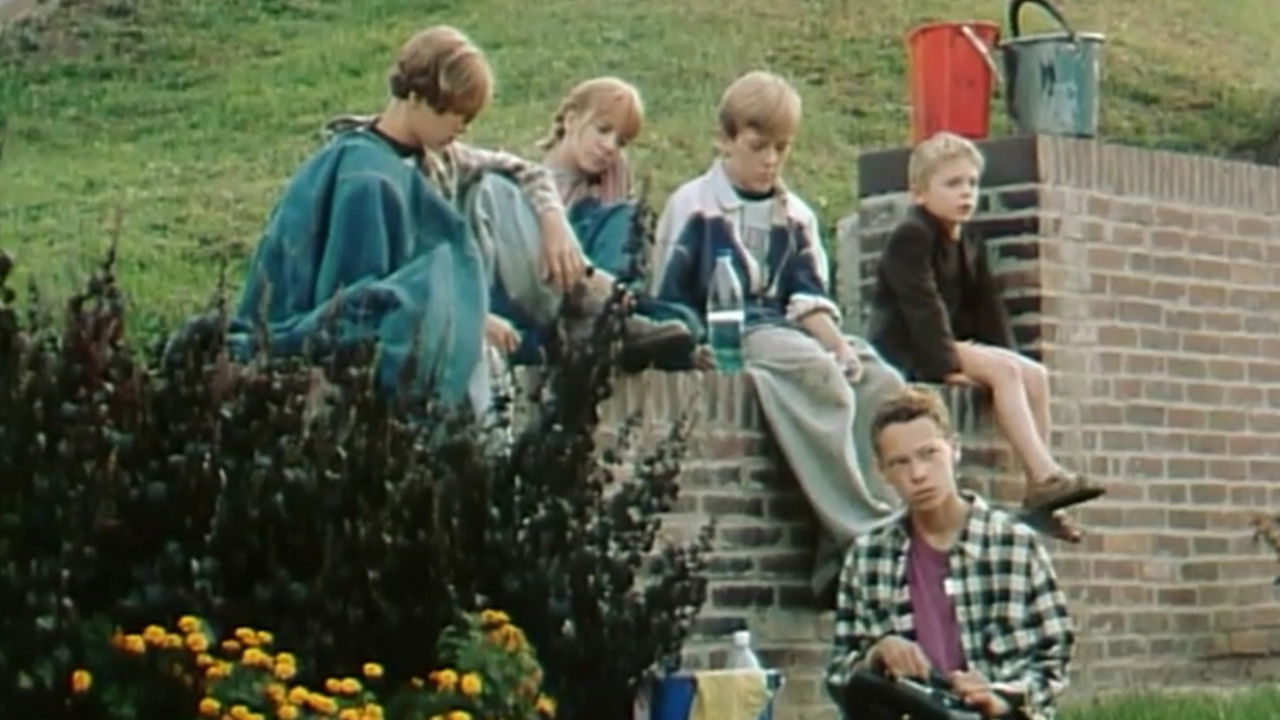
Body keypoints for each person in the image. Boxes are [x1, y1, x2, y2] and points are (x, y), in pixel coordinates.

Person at [652, 70, 905, 595]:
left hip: (792, 326)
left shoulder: (794, 215)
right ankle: (862, 528)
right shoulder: (694, 206)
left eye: (781, 149)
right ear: (725, 141)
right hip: (734, 328)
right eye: (758, 147)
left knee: (880, 382)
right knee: (815, 376)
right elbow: (670, 293)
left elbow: (808, 297)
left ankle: (860, 536)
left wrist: (839, 346)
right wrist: (692, 344)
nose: (770, 160)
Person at [231, 25, 503, 410]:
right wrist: (459, 313)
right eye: (454, 113)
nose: (462, 127)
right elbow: (356, 305)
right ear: (416, 98)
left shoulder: (415, 159)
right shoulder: (368, 179)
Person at [866, 131, 1104, 541]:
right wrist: (946, 367)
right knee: (1004, 374)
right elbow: (922, 306)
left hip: (948, 341)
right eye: (952, 184)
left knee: (1033, 375)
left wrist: (1004, 353)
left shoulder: (968, 241)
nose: (966, 193)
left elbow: (988, 308)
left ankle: (1041, 490)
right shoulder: (913, 236)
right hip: (911, 346)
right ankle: (1044, 474)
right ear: (920, 193)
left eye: (972, 183)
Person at [826, 386, 1074, 720]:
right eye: (900, 462)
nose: (918, 474)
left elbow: (1052, 659)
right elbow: (839, 675)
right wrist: (875, 655)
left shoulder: (1014, 545)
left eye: (929, 454)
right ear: (882, 471)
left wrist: (1001, 697)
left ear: (954, 449)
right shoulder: (868, 557)